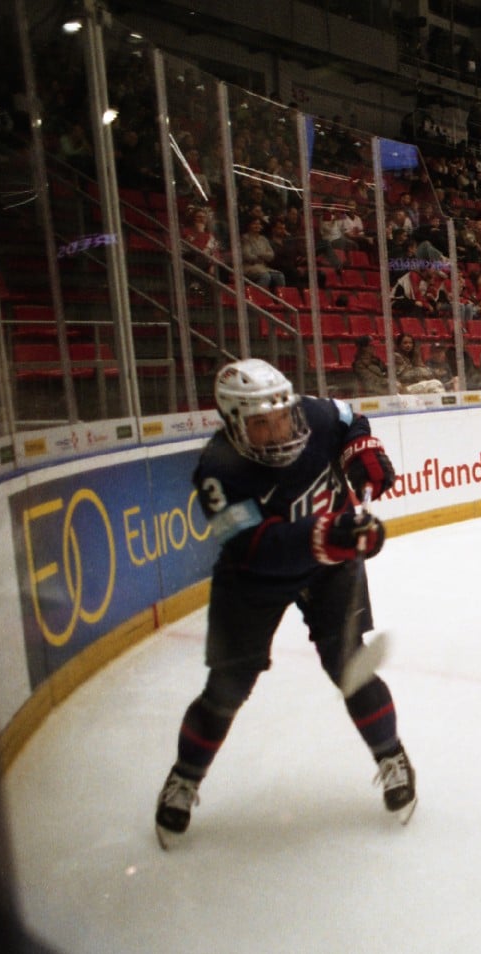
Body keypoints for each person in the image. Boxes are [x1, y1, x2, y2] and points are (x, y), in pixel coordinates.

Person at [154, 359, 413, 848]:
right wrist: (331, 534)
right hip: (254, 578)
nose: (279, 431)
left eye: (282, 417)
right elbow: (253, 547)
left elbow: (349, 417)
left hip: (332, 566)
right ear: (234, 424)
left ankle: (391, 755)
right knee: (227, 686)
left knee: (350, 667)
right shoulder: (217, 471)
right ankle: (185, 776)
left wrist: (362, 448)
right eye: (261, 424)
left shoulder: (314, 415)